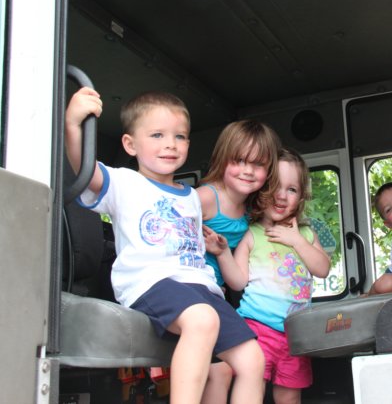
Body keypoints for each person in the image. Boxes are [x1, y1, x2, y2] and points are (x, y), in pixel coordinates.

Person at [64, 87, 265, 404]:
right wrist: (72, 125)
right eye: (157, 135)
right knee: (202, 319)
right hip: (150, 281)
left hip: (200, 288)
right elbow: (84, 169)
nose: (170, 144)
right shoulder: (124, 182)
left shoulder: (191, 197)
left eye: (179, 136)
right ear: (130, 144)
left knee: (253, 359)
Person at [207, 147, 330, 404]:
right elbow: (237, 281)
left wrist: (297, 241)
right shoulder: (252, 234)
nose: (282, 195)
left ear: (301, 197)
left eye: (292, 189)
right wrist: (223, 253)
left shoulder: (305, 235)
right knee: (252, 386)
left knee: (289, 397)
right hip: (257, 327)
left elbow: (322, 269)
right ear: (261, 190)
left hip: (295, 333)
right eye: (275, 186)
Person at [197, 119, 282, 403]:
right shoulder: (206, 198)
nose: (248, 170)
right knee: (220, 371)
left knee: (226, 370)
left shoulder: (249, 209)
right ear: (223, 159)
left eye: (258, 164)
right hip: (196, 291)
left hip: (218, 294)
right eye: (239, 160)